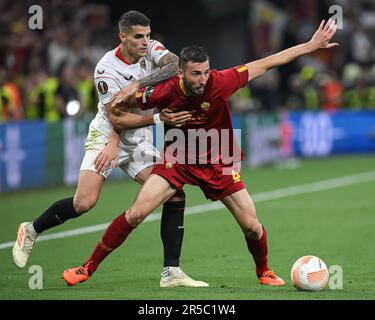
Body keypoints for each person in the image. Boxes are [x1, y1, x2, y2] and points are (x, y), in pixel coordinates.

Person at [62, 19, 338, 287]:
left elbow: (266, 62)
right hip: (179, 159)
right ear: (180, 72)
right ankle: (87, 267)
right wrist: (114, 135)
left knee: (252, 227)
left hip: (218, 160)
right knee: (136, 213)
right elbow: (117, 110)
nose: (203, 79)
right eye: (196, 73)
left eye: (206, 72)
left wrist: (310, 46)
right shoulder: (164, 91)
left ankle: (263, 271)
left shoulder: (222, 81)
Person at [13, 10, 208, 288]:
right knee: (84, 203)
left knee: (175, 193)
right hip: (107, 136)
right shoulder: (105, 70)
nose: (145, 42)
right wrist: (122, 138)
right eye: (138, 37)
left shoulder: (150, 49)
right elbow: (117, 116)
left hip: (138, 139)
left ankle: (171, 272)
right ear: (122, 37)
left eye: (148, 36)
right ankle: (30, 230)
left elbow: (175, 64)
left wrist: (137, 85)